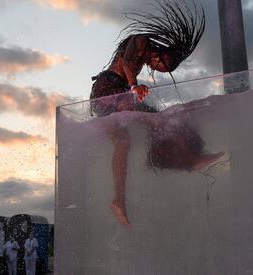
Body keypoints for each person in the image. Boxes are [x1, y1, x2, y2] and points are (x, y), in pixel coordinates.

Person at [90, 0, 222, 227]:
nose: (157, 70)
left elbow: (132, 67)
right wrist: (133, 86)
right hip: (108, 89)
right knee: (160, 120)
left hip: (112, 94)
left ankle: (119, 200)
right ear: (162, 54)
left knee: (124, 140)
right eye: (163, 66)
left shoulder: (145, 56)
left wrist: (131, 88)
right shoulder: (141, 41)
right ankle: (184, 159)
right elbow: (128, 62)